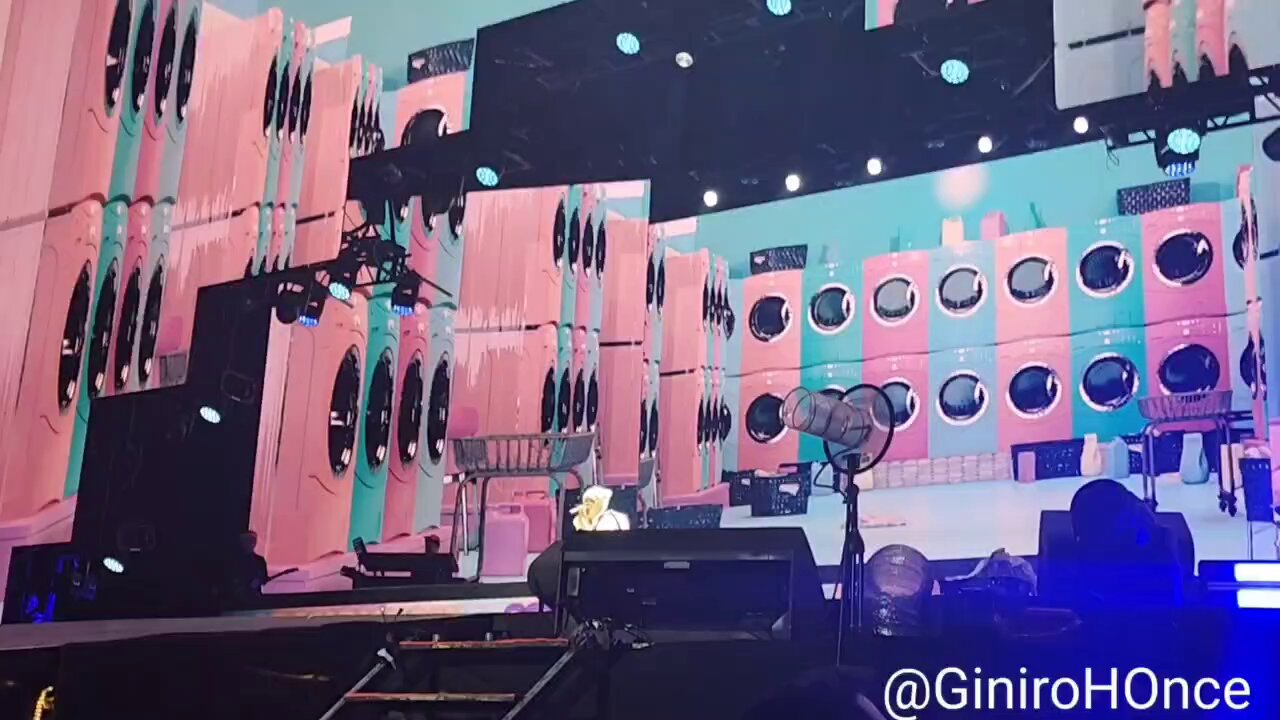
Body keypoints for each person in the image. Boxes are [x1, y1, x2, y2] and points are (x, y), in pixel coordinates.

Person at [229, 531, 268, 598]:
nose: (251, 543)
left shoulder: (260, 560)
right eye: (248, 541)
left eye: (253, 541)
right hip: (237, 597)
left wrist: (259, 580)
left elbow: (264, 579)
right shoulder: (234, 560)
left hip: (255, 597)